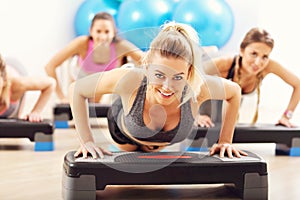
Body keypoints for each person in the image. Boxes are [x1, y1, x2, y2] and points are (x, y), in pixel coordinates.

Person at [69, 21, 248, 159]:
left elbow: (234, 92)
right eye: (159, 75)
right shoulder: (130, 79)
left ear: (189, 73)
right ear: (147, 67)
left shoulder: (198, 87)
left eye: (178, 77)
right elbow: (76, 89)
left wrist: (225, 141)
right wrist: (87, 141)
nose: (167, 87)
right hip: (123, 133)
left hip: (161, 143)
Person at [198, 27, 300, 128]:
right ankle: (206, 49)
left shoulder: (268, 66)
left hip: (228, 91)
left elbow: (298, 84)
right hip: (205, 69)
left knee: (224, 124)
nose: (258, 63)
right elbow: (185, 81)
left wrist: (287, 116)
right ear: (242, 51)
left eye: (265, 56)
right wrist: (195, 116)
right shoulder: (223, 64)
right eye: (254, 54)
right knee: (206, 119)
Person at [45, 12, 144, 103]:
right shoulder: (82, 43)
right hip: (81, 92)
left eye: (107, 32)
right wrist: (61, 97)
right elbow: (50, 66)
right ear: (91, 31)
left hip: (106, 95)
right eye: (98, 31)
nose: (102, 36)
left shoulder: (121, 46)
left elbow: (147, 60)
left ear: (114, 32)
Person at [0, 54, 55, 122]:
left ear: (4, 80)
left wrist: (36, 112)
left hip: (16, 71)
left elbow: (50, 83)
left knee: (16, 119)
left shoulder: (17, 84)